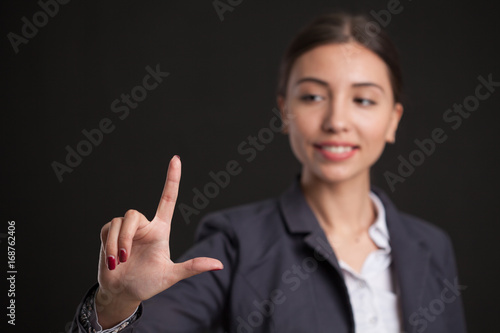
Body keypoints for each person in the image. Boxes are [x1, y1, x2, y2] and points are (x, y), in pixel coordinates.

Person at [71, 11, 467, 333]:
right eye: (312, 96)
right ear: (284, 111)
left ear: (393, 119)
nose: (337, 120)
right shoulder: (235, 243)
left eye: (363, 99)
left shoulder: (432, 247)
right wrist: (116, 303)